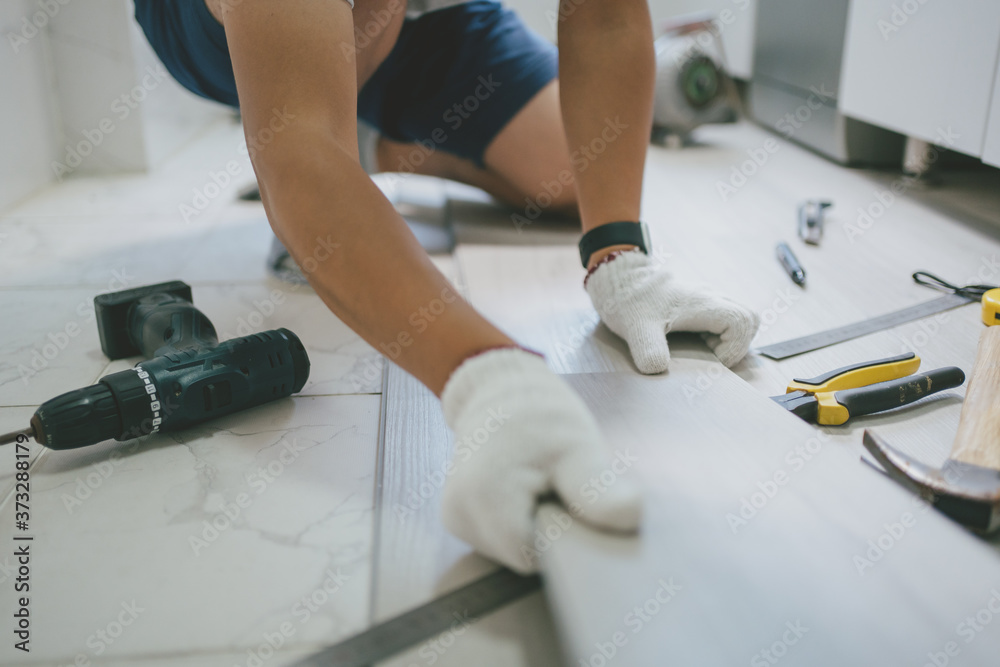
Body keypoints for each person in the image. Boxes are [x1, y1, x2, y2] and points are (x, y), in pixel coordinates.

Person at [133, 0, 760, 574]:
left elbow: (607, 18)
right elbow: (300, 145)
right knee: (320, 119)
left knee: (567, 173)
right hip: (221, 31)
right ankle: (328, 132)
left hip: (427, 21)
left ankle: (377, 145)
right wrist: (488, 378)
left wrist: (620, 257)